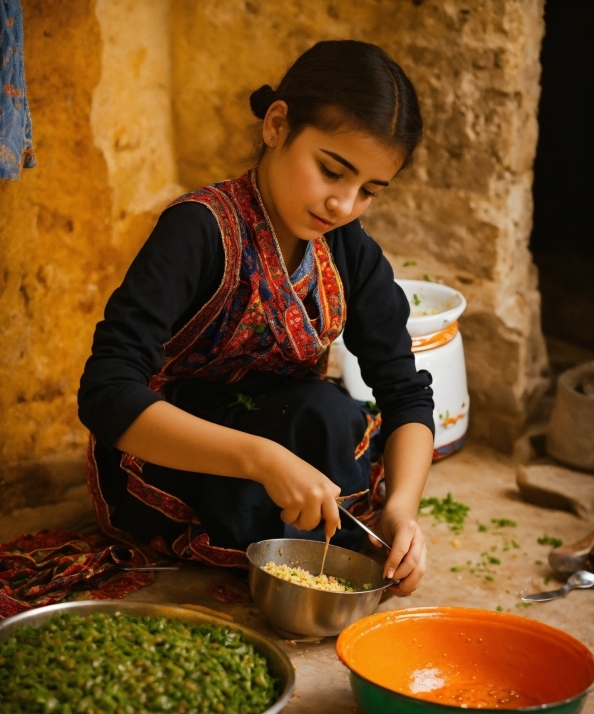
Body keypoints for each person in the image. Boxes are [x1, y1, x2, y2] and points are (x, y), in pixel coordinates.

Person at [78, 40, 435, 595]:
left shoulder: (349, 250)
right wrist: (260, 460)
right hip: (183, 447)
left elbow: (405, 393)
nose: (343, 204)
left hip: (281, 432)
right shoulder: (197, 230)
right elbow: (107, 392)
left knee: (331, 413)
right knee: (259, 484)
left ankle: (299, 521)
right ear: (276, 125)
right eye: (331, 170)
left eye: (368, 190)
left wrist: (402, 512)